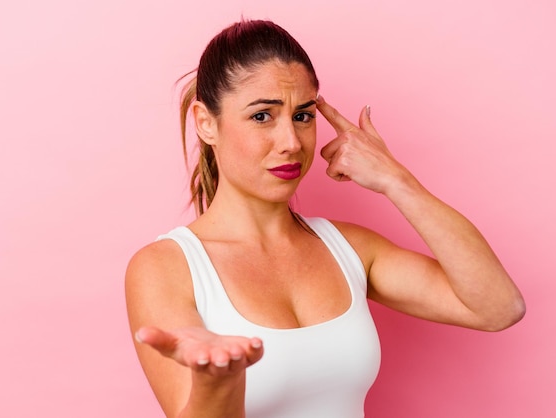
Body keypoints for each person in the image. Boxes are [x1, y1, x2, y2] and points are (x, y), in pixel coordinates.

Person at [125, 19, 525, 418]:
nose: (291, 143)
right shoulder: (166, 268)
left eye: (303, 116)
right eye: (262, 116)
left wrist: (396, 180)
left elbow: (497, 307)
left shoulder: (349, 248)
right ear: (206, 123)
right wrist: (218, 381)